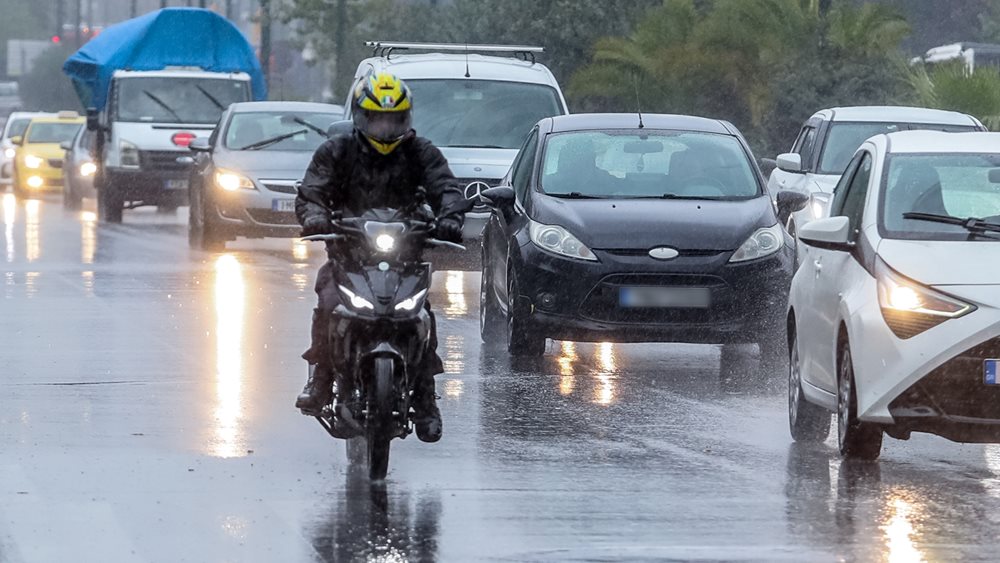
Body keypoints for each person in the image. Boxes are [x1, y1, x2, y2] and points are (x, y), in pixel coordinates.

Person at [294, 72, 464, 443]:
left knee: (422, 315)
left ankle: (425, 399)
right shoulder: (337, 151)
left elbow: (446, 186)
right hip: (348, 255)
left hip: (406, 257)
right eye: (377, 119)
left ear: (407, 119)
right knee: (328, 302)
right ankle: (321, 378)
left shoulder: (421, 152)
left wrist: (450, 217)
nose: (385, 128)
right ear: (360, 117)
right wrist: (315, 215)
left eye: (394, 119)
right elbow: (312, 191)